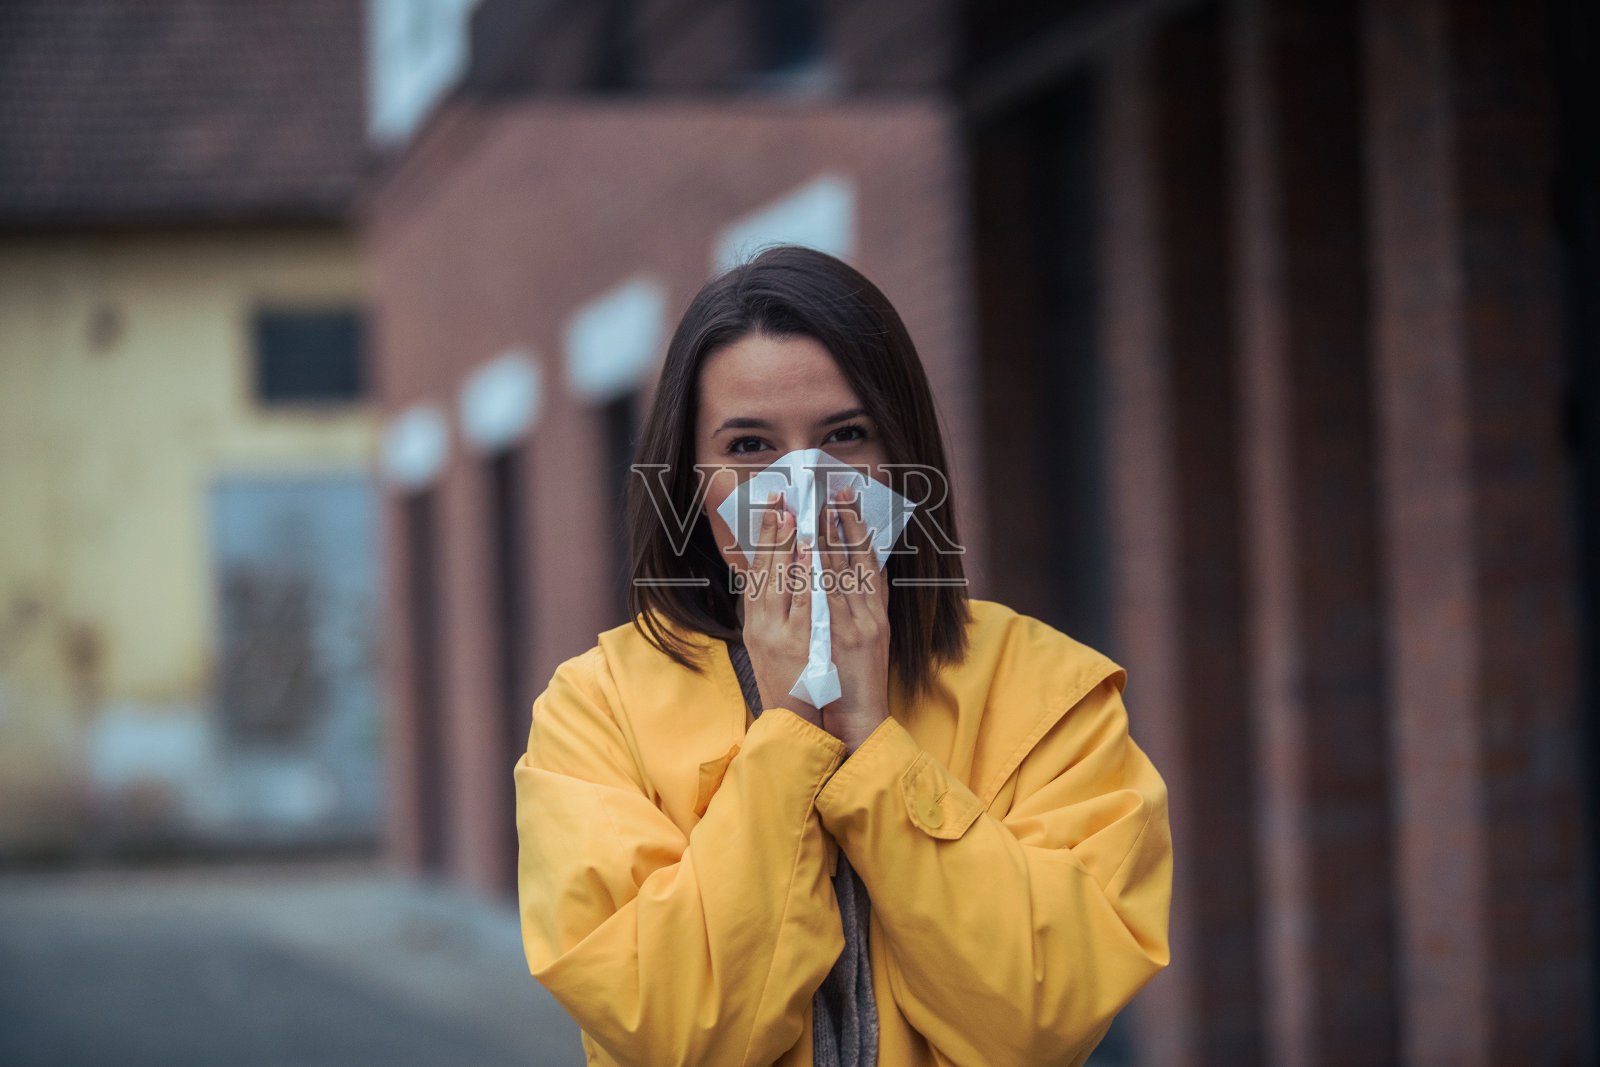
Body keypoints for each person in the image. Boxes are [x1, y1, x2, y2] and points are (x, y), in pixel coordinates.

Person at [513, 245, 1171, 1066]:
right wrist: (790, 730)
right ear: (689, 483)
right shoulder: (594, 711)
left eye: (845, 435)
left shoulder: (1048, 692)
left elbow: (1040, 1017)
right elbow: (670, 1030)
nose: (802, 486)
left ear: (904, 458)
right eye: (750, 447)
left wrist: (871, 739)